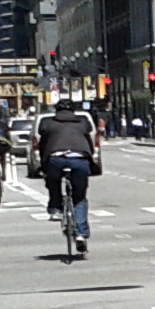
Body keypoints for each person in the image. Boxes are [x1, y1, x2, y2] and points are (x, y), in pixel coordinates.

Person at [34, 98, 99, 253]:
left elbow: (43, 146)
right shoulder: (82, 122)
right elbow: (89, 143)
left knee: (53, 182)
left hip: (56, 158)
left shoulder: (48, 123)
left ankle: (55, 209)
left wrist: (44, 166)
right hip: (80, 159)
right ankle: (81, 234)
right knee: (79, 197)